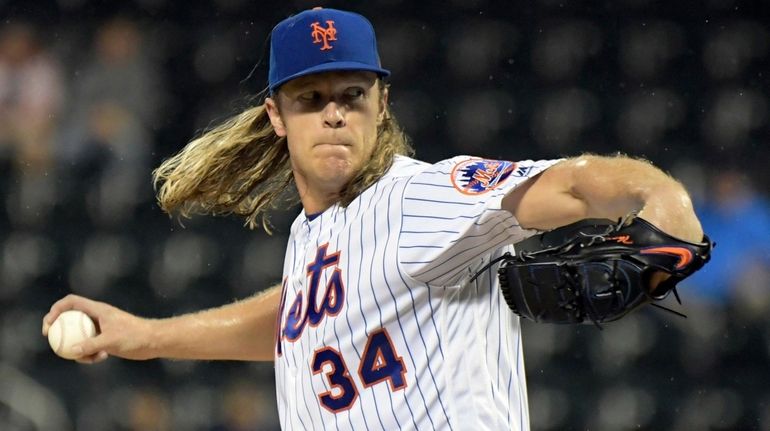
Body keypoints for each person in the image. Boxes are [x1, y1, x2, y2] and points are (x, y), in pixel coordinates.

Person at [42, 7, 704, 430]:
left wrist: (664, 197)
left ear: (381, 103)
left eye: (352, 95)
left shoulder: (422, 199)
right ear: (276, 115)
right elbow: (298, 320)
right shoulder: (313, 233)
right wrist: (147, 335)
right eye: (312, 97)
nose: (334, 112)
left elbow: (574, 184)